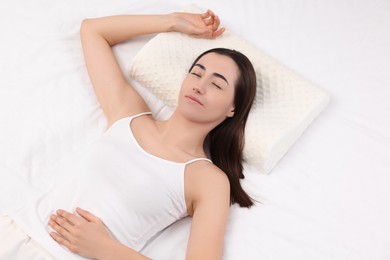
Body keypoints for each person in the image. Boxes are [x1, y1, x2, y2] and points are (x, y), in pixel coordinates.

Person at [1, 9, 257, 260]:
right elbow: (93, 31)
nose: (199, 86)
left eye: (215, 84)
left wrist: (106, 249)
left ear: (233, 108)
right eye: (196, 72)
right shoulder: (129, 115)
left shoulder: (208, 180)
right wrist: (172, 22)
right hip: (15, 234)